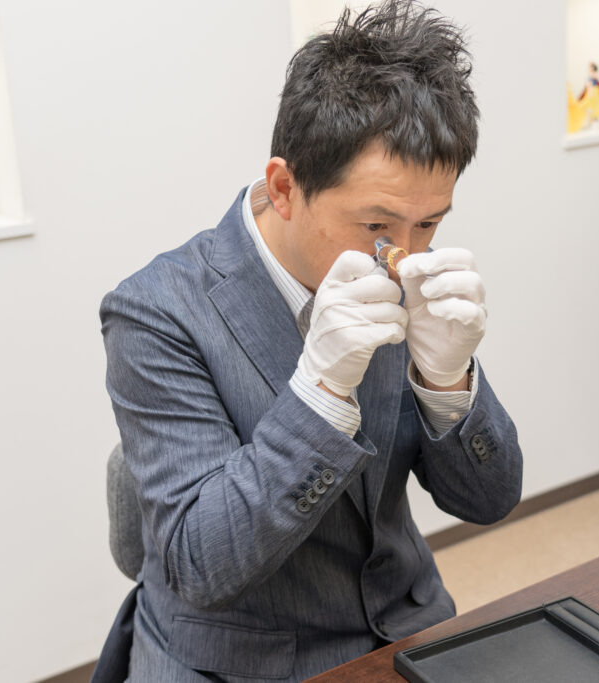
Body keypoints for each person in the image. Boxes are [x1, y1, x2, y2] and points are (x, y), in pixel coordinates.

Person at [96, 2, 523, 680]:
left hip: (402, 624)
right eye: (377, 226)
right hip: (237, 659)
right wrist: (321, 392)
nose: (404, 258)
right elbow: (201, 565)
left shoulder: (401, 269)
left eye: (429, 224)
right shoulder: (156, 311)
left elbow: (489, 500)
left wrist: (448, 380)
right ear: (284, 187)